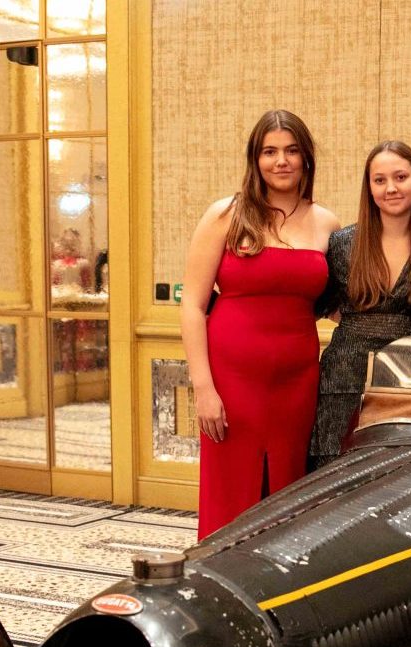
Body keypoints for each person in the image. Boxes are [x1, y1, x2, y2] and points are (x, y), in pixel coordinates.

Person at [179, 109, 340, 539]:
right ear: (255, 159)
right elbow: (192, 306)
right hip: (231, 380)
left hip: (297, 379)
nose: (281, 161)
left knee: (288, 487)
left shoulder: (328, 223)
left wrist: (403, 312)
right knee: (231, 490)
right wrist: (203, 389)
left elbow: (337, 305)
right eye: (269, 151)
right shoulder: (226, 214)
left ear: (306, 158)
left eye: (290, 150)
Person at [310, 141, 411, 466]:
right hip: (344, 379)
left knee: (398, 476)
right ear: (369, 187)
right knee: (334, 475)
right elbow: (319, 303)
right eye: (379, 180)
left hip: (410, 377)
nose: (391, 188)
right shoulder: (343, 243)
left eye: (400, 177)